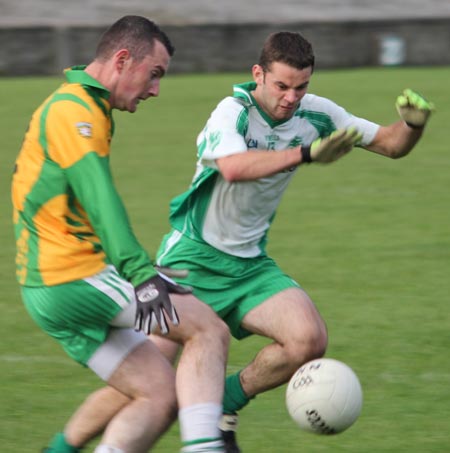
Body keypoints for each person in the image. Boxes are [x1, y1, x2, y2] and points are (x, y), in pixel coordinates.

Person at [152, 31, 434, 452]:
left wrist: (413, 125)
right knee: (146, 384)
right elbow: (232, 167)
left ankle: (224, 406)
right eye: (282, 86)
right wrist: (306, 154)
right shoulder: (233, 112)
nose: (291, 97)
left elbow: (391, 144)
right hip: (189, 259)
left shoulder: (318, 114)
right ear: (258, 75)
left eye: (300, 87)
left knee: (308, 340)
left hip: (249, 265)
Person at [12, 15, 229, 453]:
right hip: (71, 278)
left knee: (159, 393)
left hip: (51, 284)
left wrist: (136, 271)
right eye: (154, 74)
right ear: (123, 59)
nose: (155, 90)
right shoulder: (74, 113)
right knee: (208, 330)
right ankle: (206, 447)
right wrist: (140, 274)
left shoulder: (83, 108)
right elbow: (99, 197)